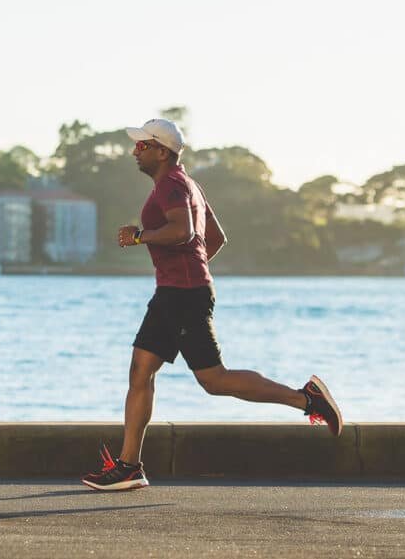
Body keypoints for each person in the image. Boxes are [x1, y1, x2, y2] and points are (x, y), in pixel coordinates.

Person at [81, 118, 343, 491]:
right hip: (179, 292)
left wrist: (141, 237)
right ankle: (129, 466)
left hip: (181, 296)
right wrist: (191, 269)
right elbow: (215, 238)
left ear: (162, 151)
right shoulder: (188, 185)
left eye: (142, 145)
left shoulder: (172, 185)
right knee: (142, 371)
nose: (135, 151)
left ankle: (307, 399)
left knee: (213, 379)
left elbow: (184, 232)